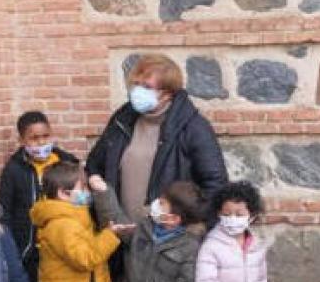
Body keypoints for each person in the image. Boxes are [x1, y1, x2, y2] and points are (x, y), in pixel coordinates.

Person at [87, 53, 229, 224]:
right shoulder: (122, 119)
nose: (138, 91)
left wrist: (186, 225)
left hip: (168, 239)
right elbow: (95, 163)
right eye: (136, 84)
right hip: (120, 234)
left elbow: (215, 184)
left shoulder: (193, 128)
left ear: (167, 94)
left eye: (146, 86)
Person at [0, 111, 78, 282]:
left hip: (60, 243)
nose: (40, 142)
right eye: (33, 138)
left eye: (45, 136)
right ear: (22, 140)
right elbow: (6, 209)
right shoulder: (14, 169)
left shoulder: (66, 162)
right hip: (29, 247)